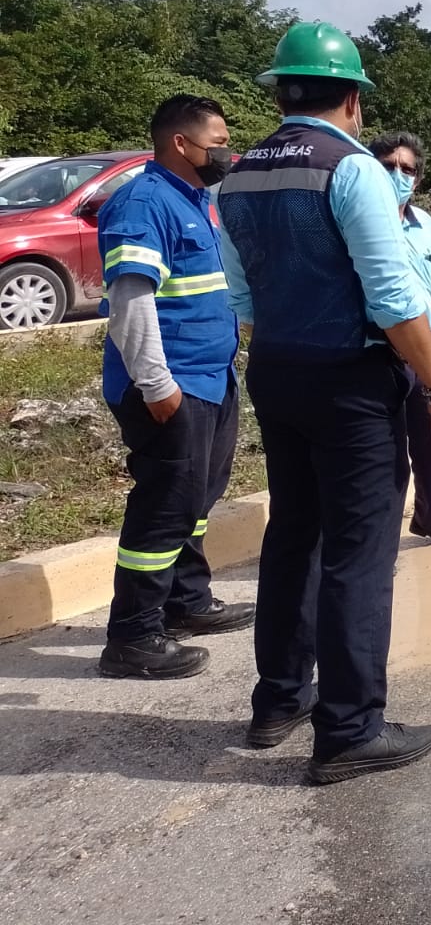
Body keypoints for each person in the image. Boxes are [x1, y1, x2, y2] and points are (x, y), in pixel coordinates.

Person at [217, 21, 431, 784]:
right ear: (353, 99)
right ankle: (351, 728)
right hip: (350, 383)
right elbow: (395, 300)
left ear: (280, 90)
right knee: (360, 552)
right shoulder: (353, 171)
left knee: (294, 535)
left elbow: (242, 293)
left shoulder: (239, 173)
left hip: (277, 368)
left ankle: (279, 700)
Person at [96, 94, 254, 679]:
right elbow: (130, 303)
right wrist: (157, 384)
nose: (226, 152)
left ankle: (186, 601)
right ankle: (132, 637)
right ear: (180, 144)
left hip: (210, 379)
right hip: (171, 386)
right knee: (164, 506)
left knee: (196, 499)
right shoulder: (143, 203)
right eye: (217, 143)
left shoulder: (194, 198)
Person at [369, 131, 431, 547]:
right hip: (378, 348)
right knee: (386, 450)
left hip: (422, 346)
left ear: (418, 178)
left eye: (406, 168)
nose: (398, 174)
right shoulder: (362, 222)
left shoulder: (425, 224)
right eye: (388, 166)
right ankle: (379, 538)